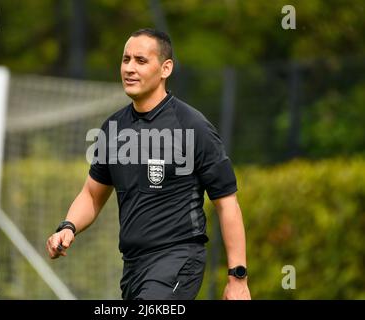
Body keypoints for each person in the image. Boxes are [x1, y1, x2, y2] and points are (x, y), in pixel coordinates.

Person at [46, 28, 251, 300]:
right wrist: (68, 227)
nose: (129, 68)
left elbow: (227, 205)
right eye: (126, 59)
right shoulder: (113, 128)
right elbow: (92, 195)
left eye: (140, 61)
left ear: (166, 68)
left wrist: (237, 278)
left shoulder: (193, 127)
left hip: (178, 260)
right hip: (133, 267)